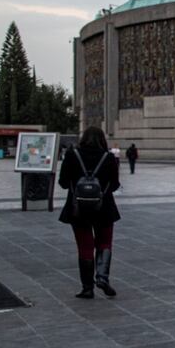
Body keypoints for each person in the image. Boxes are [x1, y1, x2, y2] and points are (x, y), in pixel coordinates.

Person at [58, 127, 120, 299]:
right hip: (104, 208)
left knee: (85, 246)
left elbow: (63, 182)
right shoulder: (108, 157)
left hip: (78, 209)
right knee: (105, 243)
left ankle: (87, 288)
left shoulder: (72, 155)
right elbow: (115, 185)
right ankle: (102, 277)